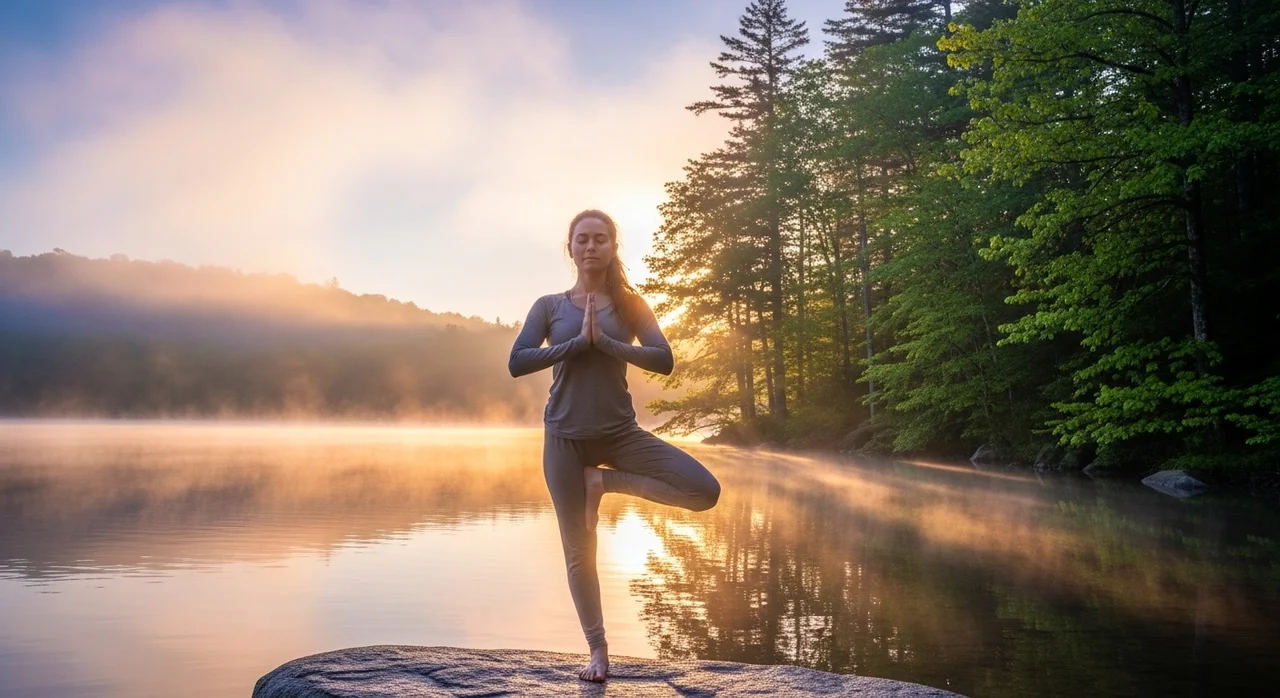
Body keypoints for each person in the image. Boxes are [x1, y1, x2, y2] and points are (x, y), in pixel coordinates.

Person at [508, 209, 722, 683]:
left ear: (612, 246)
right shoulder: (550, 306)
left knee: (704, 491)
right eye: (582, 239)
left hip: (620, 434)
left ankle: (603, 482)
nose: (591, 246)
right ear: (570, 248)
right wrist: (574, 346)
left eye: (600, 239)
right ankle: (599, 653)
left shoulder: (632, 305)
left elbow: (663, 359)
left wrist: (605, 343)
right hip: (564, 439)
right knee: (579, 551)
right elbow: (517, 362)